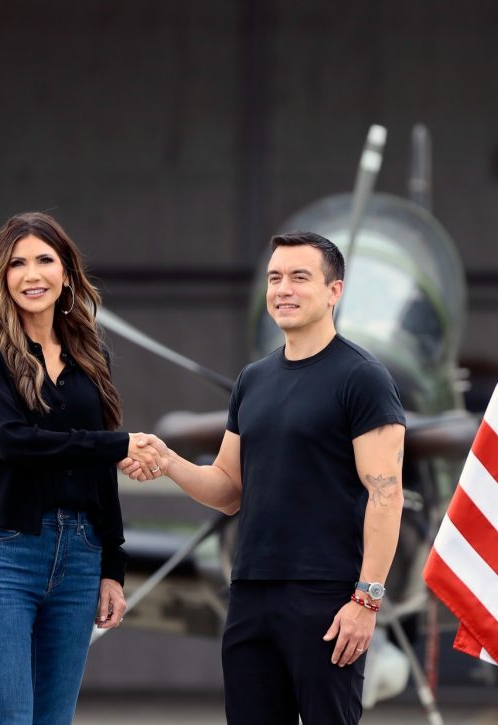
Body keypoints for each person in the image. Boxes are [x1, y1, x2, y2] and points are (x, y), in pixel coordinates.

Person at [127, 231, 406, 724]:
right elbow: (228, 490)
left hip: (328, 597)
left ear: (334, 291)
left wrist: (366, 601)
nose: (284, 289)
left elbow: (386, 496)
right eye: (276, 278)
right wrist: (169, 461)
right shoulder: (252, 380)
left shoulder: (362, 377)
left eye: (300, 277)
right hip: (251, 593)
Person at [0, 212, 159, 724]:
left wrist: (112, 567)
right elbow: (12, 442)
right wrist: (115, 445)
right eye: (17, 263)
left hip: (81, 558)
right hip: (4, 554)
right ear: (1, 276)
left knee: (55, 719)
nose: (32, 274)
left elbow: (99, 472)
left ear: (66, 272)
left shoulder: (91, 354)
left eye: (45, 260)